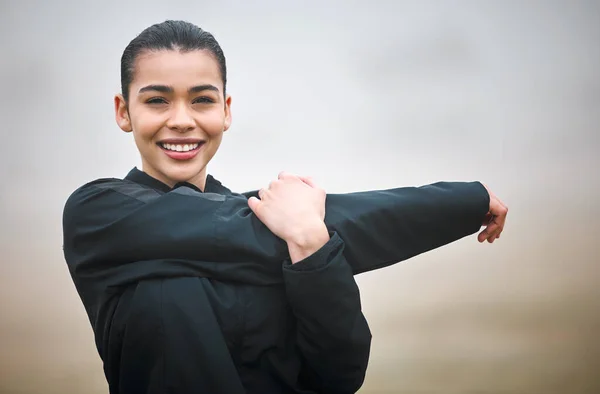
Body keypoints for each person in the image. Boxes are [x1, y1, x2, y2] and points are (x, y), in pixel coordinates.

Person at [62, 20, 508, 394]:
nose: (182, 118)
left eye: (202, 99)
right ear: (124, 112)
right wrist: (463, 201)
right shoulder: (99, 216)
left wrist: (314, 246)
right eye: (157, 100)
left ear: (226, 110)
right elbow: (254, 230)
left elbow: (338, 375)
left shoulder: (282, 225)